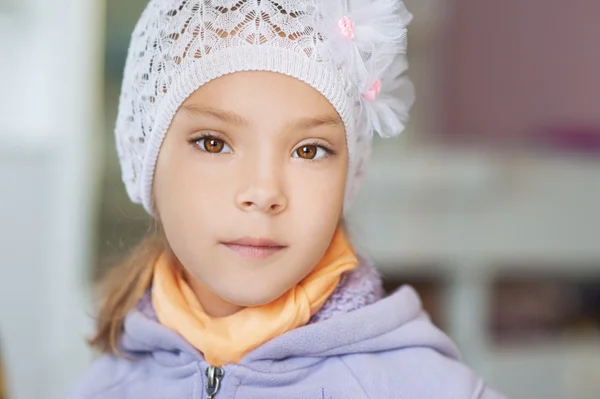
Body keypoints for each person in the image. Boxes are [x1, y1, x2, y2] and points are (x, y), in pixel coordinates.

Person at [70, 0, 505, 397]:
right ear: (145, 155)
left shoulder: (421, 387)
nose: (264, 192)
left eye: (308, 150)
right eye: (213, 143)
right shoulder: (106, 386)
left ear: (348, 173)